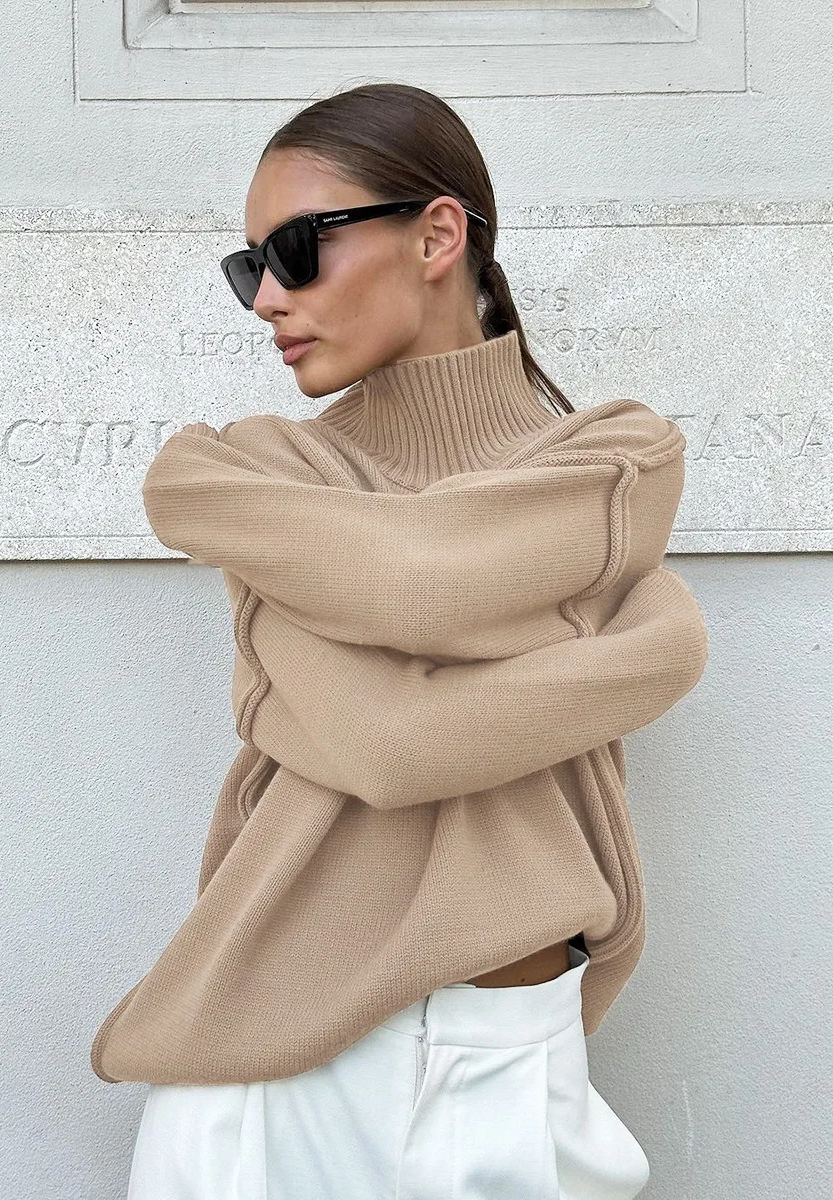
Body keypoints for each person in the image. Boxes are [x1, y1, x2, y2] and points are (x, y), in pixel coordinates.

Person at [91, 83, 709, 1199]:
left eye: (295, 250)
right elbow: (395, 745)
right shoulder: (265, 470)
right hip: (260, 1077)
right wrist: (630, 635)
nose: (267, 297)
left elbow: (412, 595)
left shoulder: (616, 457)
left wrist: (646, 643)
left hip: (513, 1058)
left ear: (436, 235)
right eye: (248, 267)